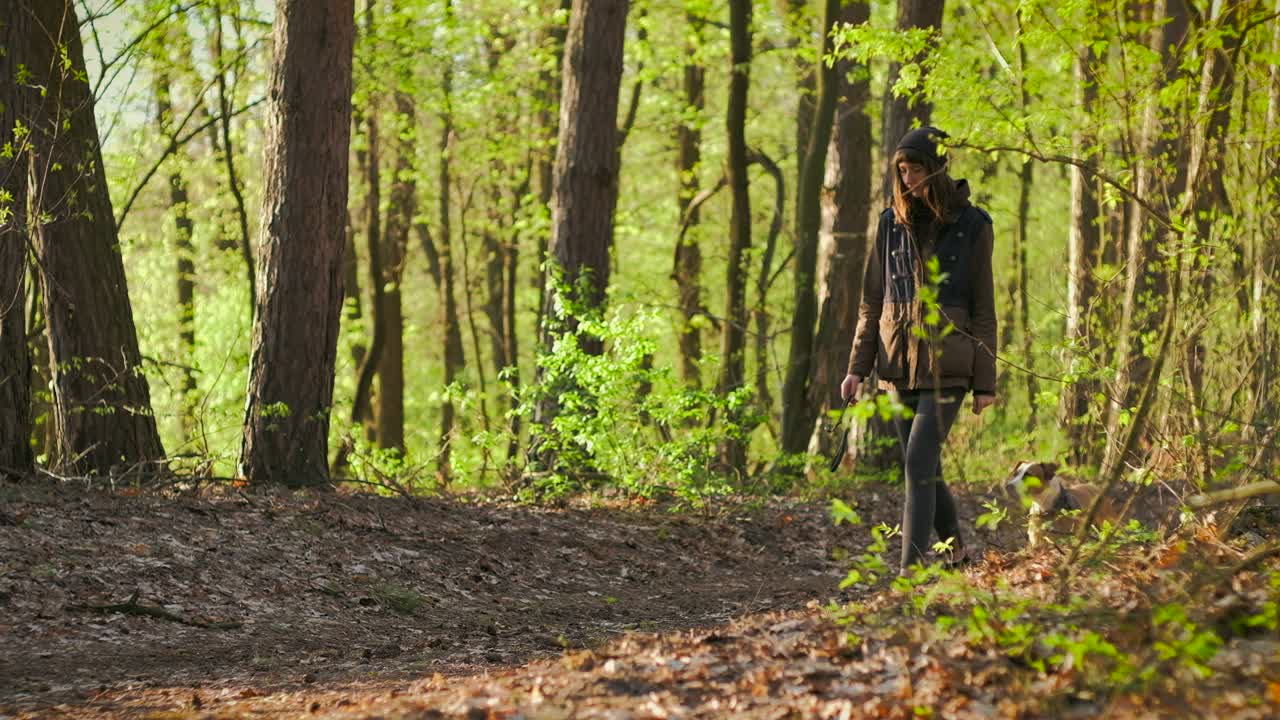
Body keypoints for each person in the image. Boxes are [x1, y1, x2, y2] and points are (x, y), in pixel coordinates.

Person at [839, 126, 998, 574]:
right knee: (923, 465)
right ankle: (958, 552)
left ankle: (911, 569)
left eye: (917, 169)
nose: (909, 179)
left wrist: (985, 383)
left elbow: (984, 308)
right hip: (897, 362)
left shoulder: (973, 226)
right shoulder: (890, 224)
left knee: (918, 460)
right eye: (903, 171)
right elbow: (873, 302)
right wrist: (857, 369)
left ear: (938, 169)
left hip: (950, 362)